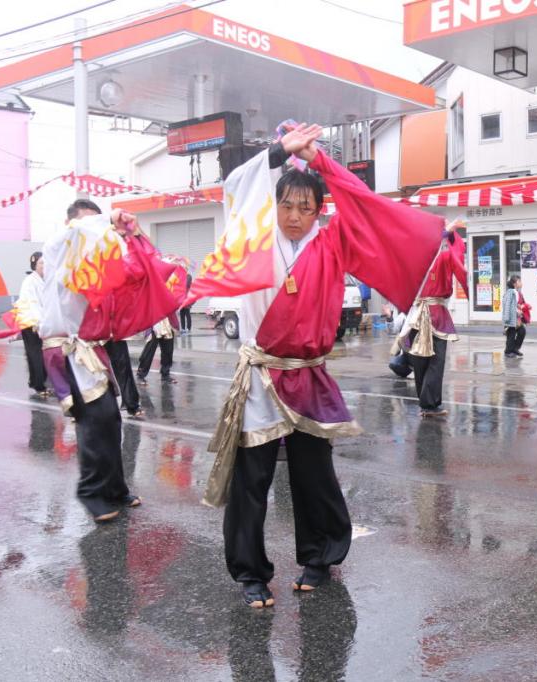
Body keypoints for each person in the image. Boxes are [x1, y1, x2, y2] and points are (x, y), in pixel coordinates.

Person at [202, 123, 443, 608]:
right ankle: (251, 573)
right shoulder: (254, 235)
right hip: (261, 375)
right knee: (252, 480)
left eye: (305, 207)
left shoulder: (332, 244)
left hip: (309, 372)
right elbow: (236, 189)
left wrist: (323, 164)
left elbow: (368, 209)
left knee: (315, 475)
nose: (294, 215)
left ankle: (319, 558)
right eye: (286, 205)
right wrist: (277, 153)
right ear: (274, 205)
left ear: (319, 210)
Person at [40, 199, 181, 522]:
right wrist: (108, 219)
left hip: (93, 348)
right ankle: (92, 493)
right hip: (66, 351)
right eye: (90, 224)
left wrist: (132, 236)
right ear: (71, 224)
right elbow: (79, 231)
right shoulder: (58, 250)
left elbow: (139, 270)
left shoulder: (100, 263)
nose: (97, 231)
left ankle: (115, 488)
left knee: (111, 419)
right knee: (94, 419)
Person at [392, 221, 467, 417]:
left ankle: (427, 404)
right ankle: (429, 404)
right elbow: (452, 253)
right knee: (433, 360)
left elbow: (451, 250)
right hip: (428, 312)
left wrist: (447, 235)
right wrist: (446, 235)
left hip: (419, 312)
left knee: (422, 360)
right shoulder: (436, 256)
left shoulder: (421, 257)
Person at [15, 251, 50, 397]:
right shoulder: (30, 281)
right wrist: (39, 322)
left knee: (44, 353)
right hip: (31, 322)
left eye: (46, 262)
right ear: (35, 265)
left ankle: (38, 381)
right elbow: (32, 304)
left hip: (43, 322)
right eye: (41, 263)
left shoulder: (47, 280)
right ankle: (39, 385)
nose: (44, 266)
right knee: (35, 353)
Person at [136, 312, 178, 385]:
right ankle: (141, 374)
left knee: (168, 350)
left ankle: (165, 374)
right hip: (154, 322)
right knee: (149, 351)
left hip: (167, 322)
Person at [502, 275, 526, 358]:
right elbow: (507, 305)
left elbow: (518, 304)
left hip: (517, 318)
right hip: (511, 318)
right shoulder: (510, 292)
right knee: (511, 335)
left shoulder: (518, 292)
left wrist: (521, 308)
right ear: (514, 284)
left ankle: (515, 348)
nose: (521, 283)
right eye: (519, 281)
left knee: (522, 331)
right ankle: (508, 351)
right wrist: (507, 318)